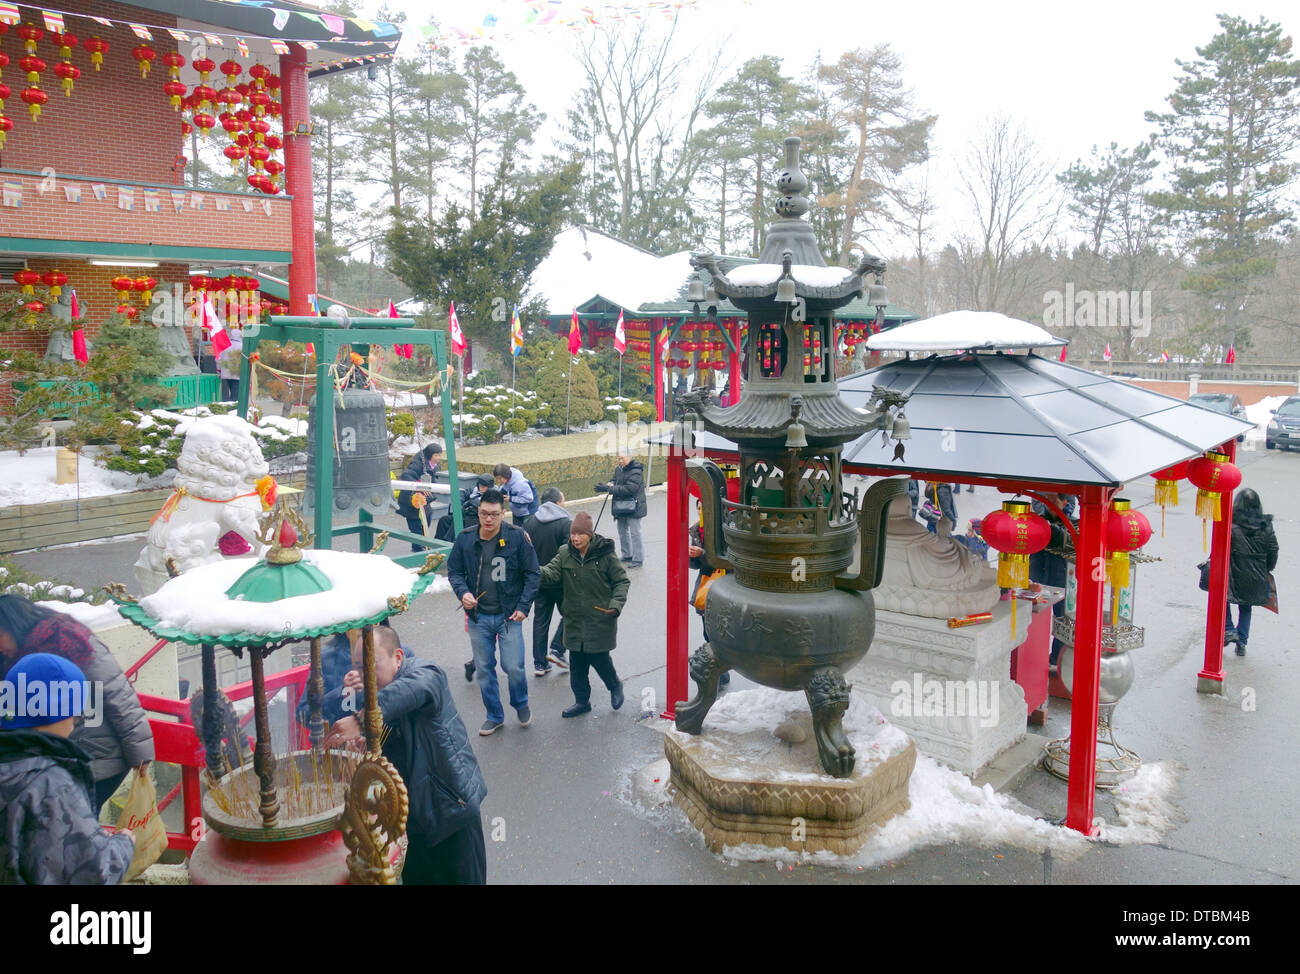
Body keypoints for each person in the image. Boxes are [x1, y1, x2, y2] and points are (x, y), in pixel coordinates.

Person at [323, 627, 487, 885]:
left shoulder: (424, 673)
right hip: (410, 824)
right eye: (357, 666)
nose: (363, 673)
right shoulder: (372, 697)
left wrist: (361, 719)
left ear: (398, 657)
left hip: (450, 814)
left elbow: (415, 689)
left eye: (371, 663)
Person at [0, 595, 154, 814]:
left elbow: (116, 692)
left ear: (14, 624)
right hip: (57, 758)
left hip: (95, 757)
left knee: (73, 830)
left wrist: (140, 754)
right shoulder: (13, 656)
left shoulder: (68, 638)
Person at [1, 653, 137, 885]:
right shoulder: (49, 783)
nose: (75, 721)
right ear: (54, 710)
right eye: (73, 709)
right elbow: (92, 874)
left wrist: (87, 836)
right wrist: (122, 845)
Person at [446, 489, 540, 735]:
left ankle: (521, 703)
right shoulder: (465, 538)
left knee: (514, 667)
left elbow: (533, 574)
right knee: (485, 670)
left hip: (509, 616)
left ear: (503, 513)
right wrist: (463, 593)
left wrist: (523, 607)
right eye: (484, 514)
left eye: (494, 515)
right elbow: (454, 571)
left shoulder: (517, 537)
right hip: (479, 617)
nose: (488, 519)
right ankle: (494, 715)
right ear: (478, 512)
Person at [539, 511, 630, 718]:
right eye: (573, 534)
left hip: (599, 618)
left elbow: (622, 581)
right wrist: (532, 570)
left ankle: (615, 686)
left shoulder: (605, 555)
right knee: (577, 665)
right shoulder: (564, 553)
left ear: (589, 534)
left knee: (599, 659)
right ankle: (582, 702)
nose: (575, 538)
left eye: (580, 534)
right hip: (573, 620)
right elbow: (550, 573)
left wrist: (615, 605)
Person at [1224, 488, 1279, 657]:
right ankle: (1242, 641)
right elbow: (1273, 549)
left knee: (1223, 600)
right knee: (1246, 607)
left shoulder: (1230, 524)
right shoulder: (1266, 526)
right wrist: (1267, 568)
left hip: (1234, 571)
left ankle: (1228, 629)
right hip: (1255, 574)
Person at [522, 487, 571, 676]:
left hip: (539, 580)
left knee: (540, 621)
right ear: (557, 503)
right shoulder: (565, 524)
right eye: (563, 500)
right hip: (561, 582)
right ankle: (558, 648)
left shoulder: (529, 523)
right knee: (571, 615)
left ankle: (540, 663)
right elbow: (570, 554)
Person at [1027, 493, 1076, 666]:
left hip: (1062, 580)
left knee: (1063, 622)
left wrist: (1047, 527)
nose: (1049, 504)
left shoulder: (1073, 524)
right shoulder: (1038, 520)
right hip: (1038, 579)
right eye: (1047, 500)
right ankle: (1032, 659)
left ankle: (1056, 659)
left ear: (1065, 502)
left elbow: (1067, 540)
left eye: (1054, 501)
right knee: (1032, 620)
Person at [689, 500, 729, 686]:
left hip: (723, 582)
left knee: (718, 630)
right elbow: (696, 565)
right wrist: (692, 556)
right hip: (706, 583)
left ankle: (722, 669)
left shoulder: (724, 529)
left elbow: (725, 559)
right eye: (698, 508)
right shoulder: (697, 530)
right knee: (707, 630)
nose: (700, 511)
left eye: (704, 508)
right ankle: (719, 668)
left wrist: (703, 553)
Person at [597, 453, 647, 567]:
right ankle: (627, 554)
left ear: (629, 457)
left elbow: (630, 489)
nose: (620, 461)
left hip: (634, 506)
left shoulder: (636, 471)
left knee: (635, 533)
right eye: (618, 458)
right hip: (620, 505)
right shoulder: (619, 469)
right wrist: (611, 483)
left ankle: (638, 559)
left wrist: (610, 488)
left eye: (622, 458)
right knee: (622, 531)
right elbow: (615, 480)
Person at [396, 442, 444, 553]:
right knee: (416, 525)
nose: (438, 458)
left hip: (423, 500)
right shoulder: (419, 464)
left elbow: (431, 478)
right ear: (430, 455)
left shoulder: (432, 465)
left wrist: (436, 488)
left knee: (427, 519)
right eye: (436, 455)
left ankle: (421, 545)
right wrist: (419, 487)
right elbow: (406, 475)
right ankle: (418, 549)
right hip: (411, 500)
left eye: (439, 455)